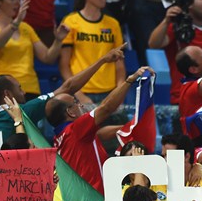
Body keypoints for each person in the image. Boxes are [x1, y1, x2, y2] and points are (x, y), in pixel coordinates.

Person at [0, 45, 125, 150]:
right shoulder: (22, 112)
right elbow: (68, 88)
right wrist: (102, 60)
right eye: (19, 88)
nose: (23, 93)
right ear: (7, 94)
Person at [47, 65, 153, 193]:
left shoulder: (60, 137)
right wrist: (129, 80)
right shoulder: (76, 129)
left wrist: (126, 127)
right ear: (70, 112)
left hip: (81, 199)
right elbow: (106, 107)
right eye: (76, 102)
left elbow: (98, 135)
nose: (81, 104)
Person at [0, 0, 66, 96]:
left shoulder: (26, 28)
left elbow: (47, 58)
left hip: (30, 88)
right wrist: (16, 22)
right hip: (4, 90)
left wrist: (58, 41)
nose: (17, 3)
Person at [58, 0, 124, 103]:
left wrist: (118, 94)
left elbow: (120, 65)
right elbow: (64, 66)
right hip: (80, 92)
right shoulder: (71, 21)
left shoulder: (113, 24)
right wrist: (80, 96)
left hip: (109, 93)